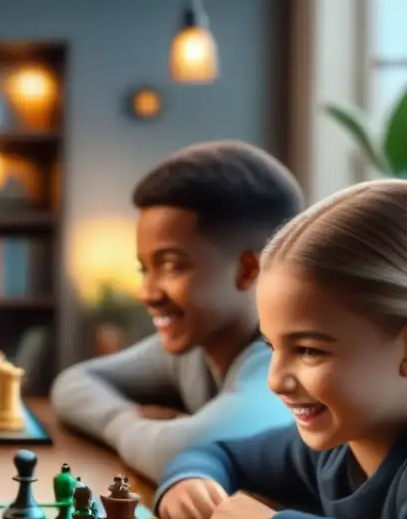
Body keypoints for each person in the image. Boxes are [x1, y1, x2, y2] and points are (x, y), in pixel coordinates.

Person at [154, 179, 407, 519]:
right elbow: (222, 452)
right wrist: (189, 479)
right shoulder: (327, 452)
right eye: (272, 347)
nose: (275, 381)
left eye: (309, 350)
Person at [50, 141, 304, 482]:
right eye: (144, 269)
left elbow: (181, 453)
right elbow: (74, 384)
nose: (146, 293)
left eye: (172, 266)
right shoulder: (193, 348)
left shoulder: (282, 366)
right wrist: (126, 420)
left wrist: (148, 430)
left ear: (247, 270)